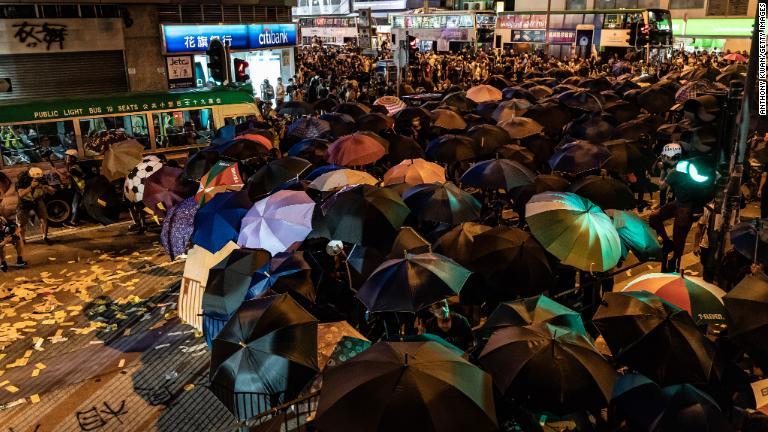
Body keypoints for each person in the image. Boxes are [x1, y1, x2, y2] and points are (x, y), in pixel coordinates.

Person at [16, 167, 55, 244]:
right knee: (22, 223)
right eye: (35, 178)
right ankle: (22, 239)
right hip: (24, 202)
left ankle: (45, 237)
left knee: (44, 218)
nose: (37, 179)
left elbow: (52, 192)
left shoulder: (42, 180)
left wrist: (47, 188)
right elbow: (21, 194)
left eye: (39, 178)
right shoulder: (22, 181)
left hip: (37, 200)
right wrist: (31, 187)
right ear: (30, 176)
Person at [59, 149, 86, 227]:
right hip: (79, 189)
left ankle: (74, 221)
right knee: (75, 205)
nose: (66, 158)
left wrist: (55, 170)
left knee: (77, 205)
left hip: (82, 189)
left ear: (73, 158)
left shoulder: (75, 167)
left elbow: (66, 176)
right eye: (66, 156)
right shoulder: (71, 166)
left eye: (68, 157)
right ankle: (74, 220)